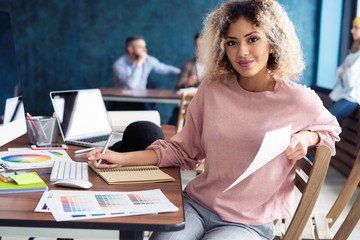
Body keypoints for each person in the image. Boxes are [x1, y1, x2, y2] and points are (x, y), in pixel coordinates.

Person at [88, 1, 341, 239]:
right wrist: (120, 158)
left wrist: (307, 137)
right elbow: (181, 151)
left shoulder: (297, 99)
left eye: (252, 39)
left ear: (273, 42)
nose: (242, 52)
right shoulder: (212, 89)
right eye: (232, 42)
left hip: (248, 222)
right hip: (197, 205)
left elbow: (331, 128)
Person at [112, 35, 180, 90]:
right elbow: (131, 85)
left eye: (145, 47)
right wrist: (138, 64)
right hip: (123, 101)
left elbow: (166, 69)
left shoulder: (148, 60)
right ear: (130, 49)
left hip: (142, 99)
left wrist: (185, 74)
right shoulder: (119, 64)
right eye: (141, 47)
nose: (145, 49)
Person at [328, 16, 360, 124]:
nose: (352, 30)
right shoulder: (354, 52)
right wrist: (345, 71)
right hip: (341, 93)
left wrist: (344, 72)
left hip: (352, 97)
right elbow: (341, 71)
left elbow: (350, 80)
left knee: (327, 123)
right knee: (327, 124)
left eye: (356, 28)